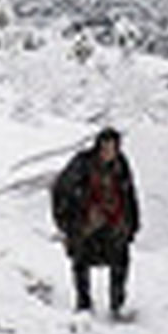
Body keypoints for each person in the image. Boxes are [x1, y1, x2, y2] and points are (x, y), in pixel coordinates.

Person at [50, 127, 140, 316]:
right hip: (86, 224)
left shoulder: (121, 164)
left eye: (112, 147)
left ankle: (117, 305)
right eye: (105, 146)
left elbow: (129, 193)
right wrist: (66, 221)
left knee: (120, 261)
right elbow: (61, 188)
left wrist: (133, 223)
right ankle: (83, 305)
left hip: (115, 223)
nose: (108, 151)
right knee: (81, 262)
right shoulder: (82, 163)